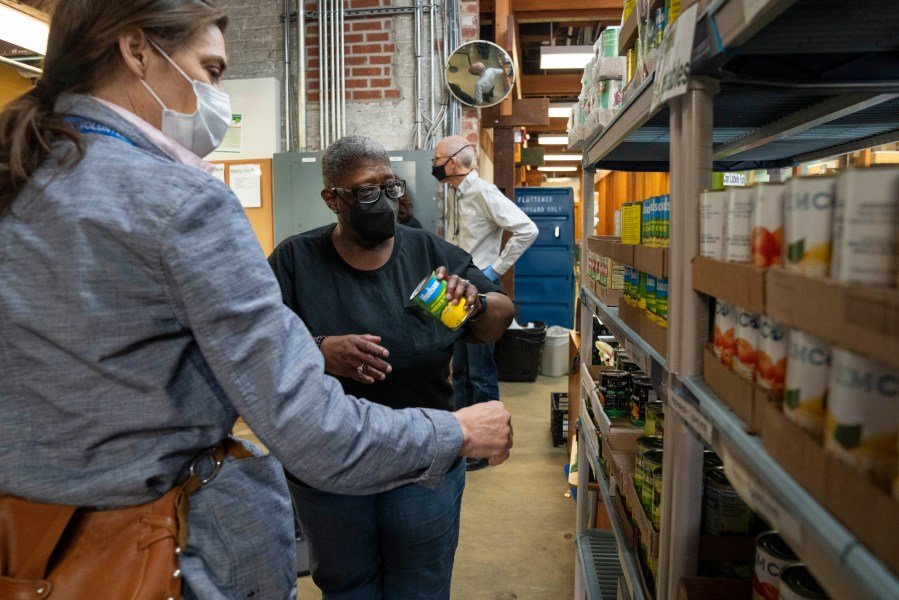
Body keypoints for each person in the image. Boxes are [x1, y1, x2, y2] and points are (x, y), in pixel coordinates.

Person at [0, 3, 512, 599]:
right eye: (211, 70)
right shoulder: (183, 203)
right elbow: (312, 430)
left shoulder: (21, 179)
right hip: (150, 550)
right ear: (136, 51)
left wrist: (475, 307)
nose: (218, 97)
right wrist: (455, 432)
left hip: (29, 548)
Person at [269, 135, 515, 599]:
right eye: (365, 191)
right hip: (333, 464)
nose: (382, 201)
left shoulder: (428, 253)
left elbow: (498, 317)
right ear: (332, 199)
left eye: (389, 187)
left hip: (423, 464)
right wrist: (319, 350)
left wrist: (479, 304)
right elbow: (260, 348)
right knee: (348, 586)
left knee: (420, 585)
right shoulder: (295, 260)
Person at [433, 135, 538, 470]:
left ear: (452, 162)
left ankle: (488, 447)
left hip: (479, 292)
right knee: (461, 370)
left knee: (480, 371)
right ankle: (466, 439)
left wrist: (495, 270)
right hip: (456, 292)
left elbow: (527, 229)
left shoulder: (483, 192)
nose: (434, 166)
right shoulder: (454, 194)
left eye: (437, 159)